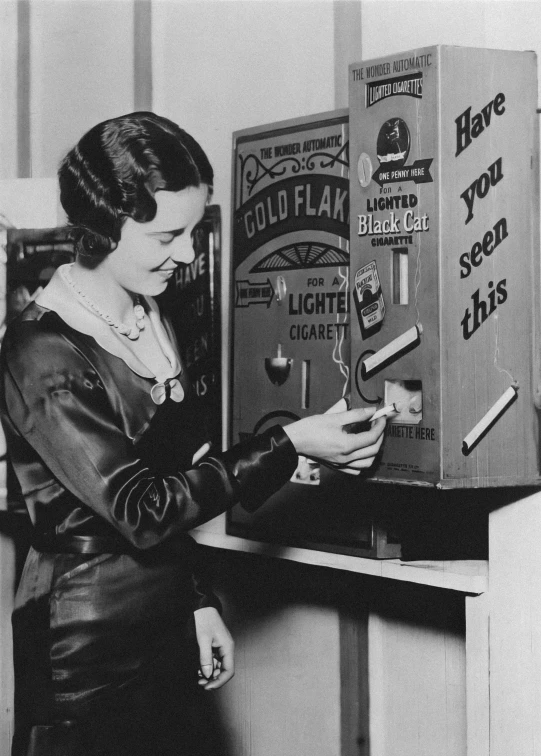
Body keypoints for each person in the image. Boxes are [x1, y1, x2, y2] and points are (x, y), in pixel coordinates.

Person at [0, 112, 386, 756]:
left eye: (192, 231)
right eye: (165, 236)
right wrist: (290, 443)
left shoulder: (149, 317)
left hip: (164, 628)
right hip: (83, 653)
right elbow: (144, 509)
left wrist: (198, 601)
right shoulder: (40, 350)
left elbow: (173, 474)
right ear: (100, 228)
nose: (185, 254)